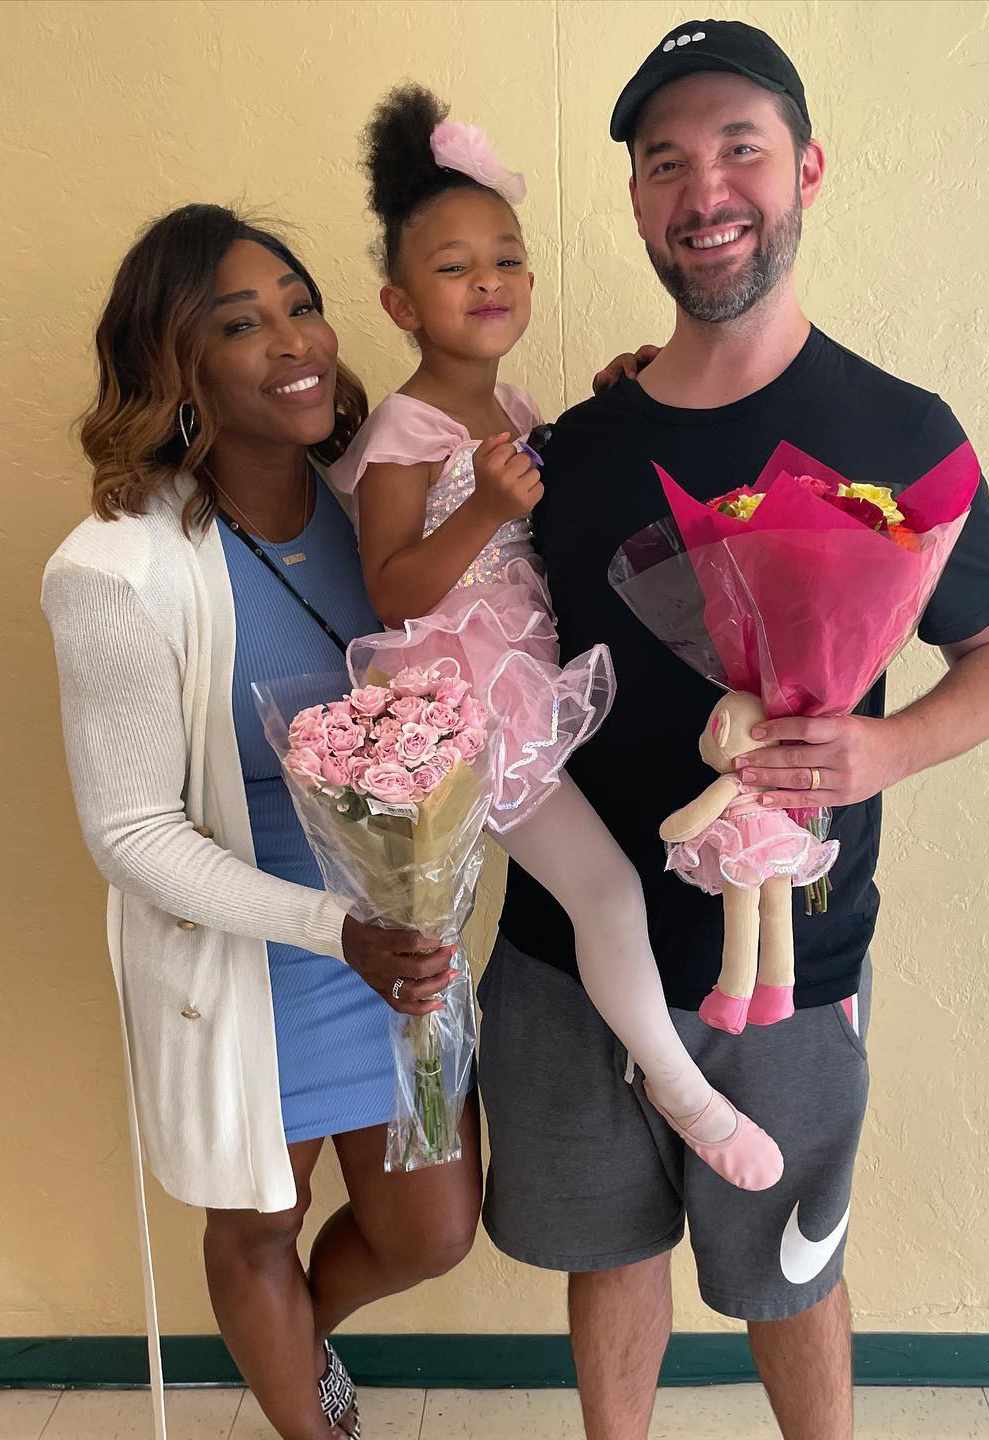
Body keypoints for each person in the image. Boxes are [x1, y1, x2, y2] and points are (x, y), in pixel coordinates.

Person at [476, 21, 989, 1440]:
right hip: (565, 956)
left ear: (806, 170)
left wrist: (889, 749)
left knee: (789, 1272)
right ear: (636, 205)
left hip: (792, 963)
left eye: (739, 147)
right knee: (606, 1254)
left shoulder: (899, 429)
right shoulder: (575, 450)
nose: (703, 188)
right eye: (664, 162)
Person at [42, 205, 487, 1440]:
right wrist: (329, 927)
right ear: (174, 366)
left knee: (431, 1227)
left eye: (300, 304)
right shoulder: (117, 568)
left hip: (403, 926)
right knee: (255, 1224)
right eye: (240, 324)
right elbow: (130, 832)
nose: (293, 340)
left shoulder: (378, 500)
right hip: (252, 940)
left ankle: (292, 1345)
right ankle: (310, 1418)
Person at [330, 85, 783, 1194]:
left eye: (507, 258)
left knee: (602, 885)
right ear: (398, 301)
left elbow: (562, 486)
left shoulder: (512, 407)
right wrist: (483, 507)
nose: (488, 281)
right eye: (452, 267)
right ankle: (679, 1085)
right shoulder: (407, 428)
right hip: (465, 700)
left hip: (525, 681)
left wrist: (611, 399)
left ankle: (650, 1063)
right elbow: (392, 591)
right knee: (606, 893)